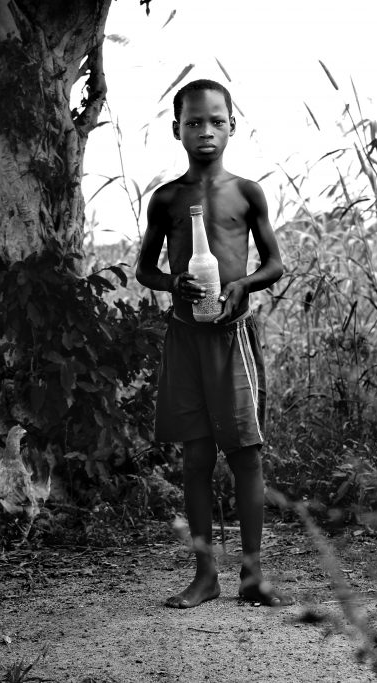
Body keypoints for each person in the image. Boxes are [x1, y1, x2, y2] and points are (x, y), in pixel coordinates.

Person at [136, 79, 290, 608]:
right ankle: (205, 576)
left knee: (246, 454)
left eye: (216, 121)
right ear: (176, 129)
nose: (206, 131)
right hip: (185, 339)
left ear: (231, 126)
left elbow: (274, 263)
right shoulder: (168, 199)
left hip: (231, 338)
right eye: (194, 121)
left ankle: (252, 575)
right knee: (195, 457)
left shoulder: (246, 192)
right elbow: (145, 269)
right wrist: (169, 283)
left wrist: (242, 285)